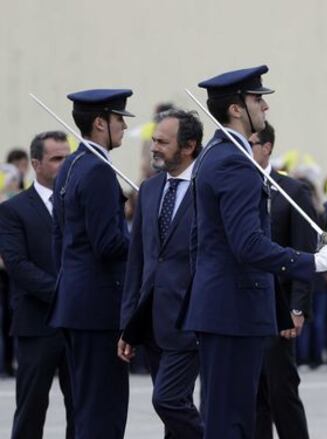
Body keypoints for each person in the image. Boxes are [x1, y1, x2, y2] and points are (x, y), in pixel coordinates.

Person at [181, 65, 327, 439]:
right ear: (237, 109)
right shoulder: (234, 162)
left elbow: (200, 242)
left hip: (223, 307)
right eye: (258, 99)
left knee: (234, 417)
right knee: (231, 422)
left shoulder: (216, 156)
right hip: (233, 309)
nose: (265, 107)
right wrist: (315, 261)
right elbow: (248, 244)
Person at [50, 88, 135, 438]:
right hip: (99, 307)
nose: (124, 128)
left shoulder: (71, 164)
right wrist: (145, 244)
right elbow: (108, 243)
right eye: (119, 120)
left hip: (75, 302)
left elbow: (60, 236)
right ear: (100, 123)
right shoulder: (98, 170)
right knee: (104, 410)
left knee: (86, 407)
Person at [118, 109, 204, 438]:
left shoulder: (206, 186)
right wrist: (129, 323)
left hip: (191, 316)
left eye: (163, 142)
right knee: (173, 408)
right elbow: (138, 260)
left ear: (188, 146)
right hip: (152, 319)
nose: (154, 147)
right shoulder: (149, 189)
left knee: (167, 399)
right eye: (154, 140)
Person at [0, 131, 73, 439]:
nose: (65, 165)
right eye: (57, 159)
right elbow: (18, 265)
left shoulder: (79, 202)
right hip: (36, 326)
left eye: (68, 158)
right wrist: (68, 293)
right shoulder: (14, 209)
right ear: (35, 164)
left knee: (82, 408)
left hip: (78, 326)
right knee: (31, 410)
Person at [249, 122, 316, 439]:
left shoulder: (291, 191)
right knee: (252, 397)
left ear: (267, 147)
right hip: (243, 307)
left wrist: (298, 308)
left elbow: (304, 252)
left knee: (281, 392)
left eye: (250, 144)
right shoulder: (235, 187)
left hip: (279, 308)